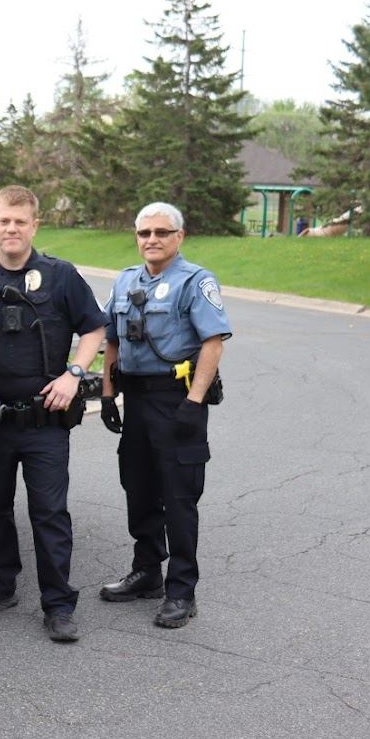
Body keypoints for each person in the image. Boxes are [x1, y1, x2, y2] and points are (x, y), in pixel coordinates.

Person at [0, 186, 106, 643]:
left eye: (19, 221)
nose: (10, 229)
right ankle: (0, 585)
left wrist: (75, 373)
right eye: (2, 221)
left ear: (35, 225)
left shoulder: (61, 276)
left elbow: (94, 327)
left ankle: (58, 605)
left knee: (49, 513)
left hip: (44, 424)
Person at [99, 202, 232, 628]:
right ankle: (147, 572)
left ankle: (181, 590)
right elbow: (111, 340)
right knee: (138, 489)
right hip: (135, 401)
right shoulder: (124, 282)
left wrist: (193, 403)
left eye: (161, 232)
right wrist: (106, 393)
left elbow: (213, 342)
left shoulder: (195, 281)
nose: (151, 240)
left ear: (179, 237)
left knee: (178, 496)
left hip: (177, 399)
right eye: (144, 233)